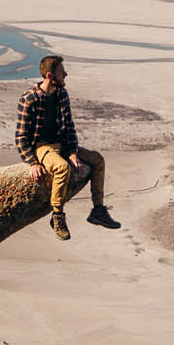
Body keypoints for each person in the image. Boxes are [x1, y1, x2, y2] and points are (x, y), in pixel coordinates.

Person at [16, 54, 118, 240]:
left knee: (98, 160)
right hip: (42, 147)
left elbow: (69, 127)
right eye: (62, 72)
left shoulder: (62, 94)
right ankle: (57, 216)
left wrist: (72, 153)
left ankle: (98, 210)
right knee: (62, 168)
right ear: (49, 75)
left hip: (62, 145)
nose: (66, 74)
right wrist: (32, 163)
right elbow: (21, 136)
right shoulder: (29, 99)